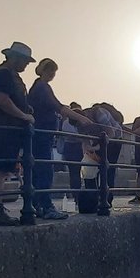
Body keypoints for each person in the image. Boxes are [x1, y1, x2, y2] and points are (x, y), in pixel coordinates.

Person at [28, 59, 93, 219]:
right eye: (51, 71)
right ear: (44, 70)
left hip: (40, 134)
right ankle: (46, 207)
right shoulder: (42, 87)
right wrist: (80, 117)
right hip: (41, 134)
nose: (52, 75)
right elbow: (58, 107)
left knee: (38, 170)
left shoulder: (37, 87)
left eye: (54, 72)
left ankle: (35, 205)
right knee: (45, 171)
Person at [0, 42, 36, 226]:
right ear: (15, 58)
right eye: (25, 61)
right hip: (2, 131)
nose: (26, 66)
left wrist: (24, 108)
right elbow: (2, 100)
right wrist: (24, 116)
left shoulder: (9, 74)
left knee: (2, 169)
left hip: (5, 130)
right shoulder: (4, 74)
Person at [59, 102, 85, 202]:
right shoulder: (67, 122)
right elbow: (70, 135)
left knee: (75, 172)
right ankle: (76, 195)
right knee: (74, 172)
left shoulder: (67, 122)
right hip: (72, 147)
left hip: (75, 147)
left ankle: (77, 195)